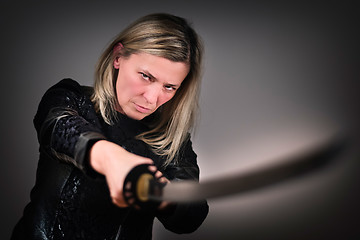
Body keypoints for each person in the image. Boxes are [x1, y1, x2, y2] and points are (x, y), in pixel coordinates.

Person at [11, 13, 209, 240]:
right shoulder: (71, 97)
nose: (152, 98)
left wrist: (161, 193)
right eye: (145, 76)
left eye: (170, 87)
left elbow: (193, 214)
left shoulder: (173, 141)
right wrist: (114, 160)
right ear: (118, 57)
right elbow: (58, 127)